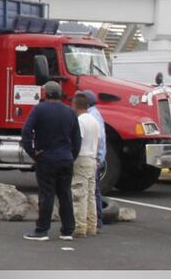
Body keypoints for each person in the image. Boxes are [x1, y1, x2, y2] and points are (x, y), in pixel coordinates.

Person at [21, 80, 81, 242]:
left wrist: (34, 153)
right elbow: (77, 140)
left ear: (45, 93)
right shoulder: (70, 112)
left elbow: (26, 133)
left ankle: (42, 230)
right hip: (66, 158)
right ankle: (68, 230)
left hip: (47, 158)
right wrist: (71, 156)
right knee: (65, 194)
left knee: (47, 194)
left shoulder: (39, 110)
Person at [72, 92, 100, 237]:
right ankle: (92, 225)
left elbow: (78, 140)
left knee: (79, 194)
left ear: (75, 105)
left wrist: (72, 157)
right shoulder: (94, 120)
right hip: (92, 158)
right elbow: (99, 140)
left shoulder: (80, 121)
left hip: (82, 158)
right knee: (91, 195)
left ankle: (80, 226)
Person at [83, 90, 107, 233]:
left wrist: (98, 158)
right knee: (93, 191)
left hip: (92, 159)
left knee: (92, 192)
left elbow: (99, 139)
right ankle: (95, 221)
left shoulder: (91, 116)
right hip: (95, 159)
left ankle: (96, 221)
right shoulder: (95, 114)